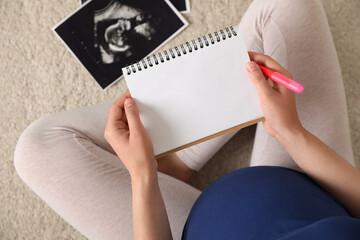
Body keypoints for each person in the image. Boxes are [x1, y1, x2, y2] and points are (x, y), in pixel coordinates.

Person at [14, 0, 360, 239]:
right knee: (285, 7)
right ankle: (182, 157)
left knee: (38, 148)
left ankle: (169, 161)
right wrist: (291, 133)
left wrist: (144, 176)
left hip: (180, 229)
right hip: (311, 183)